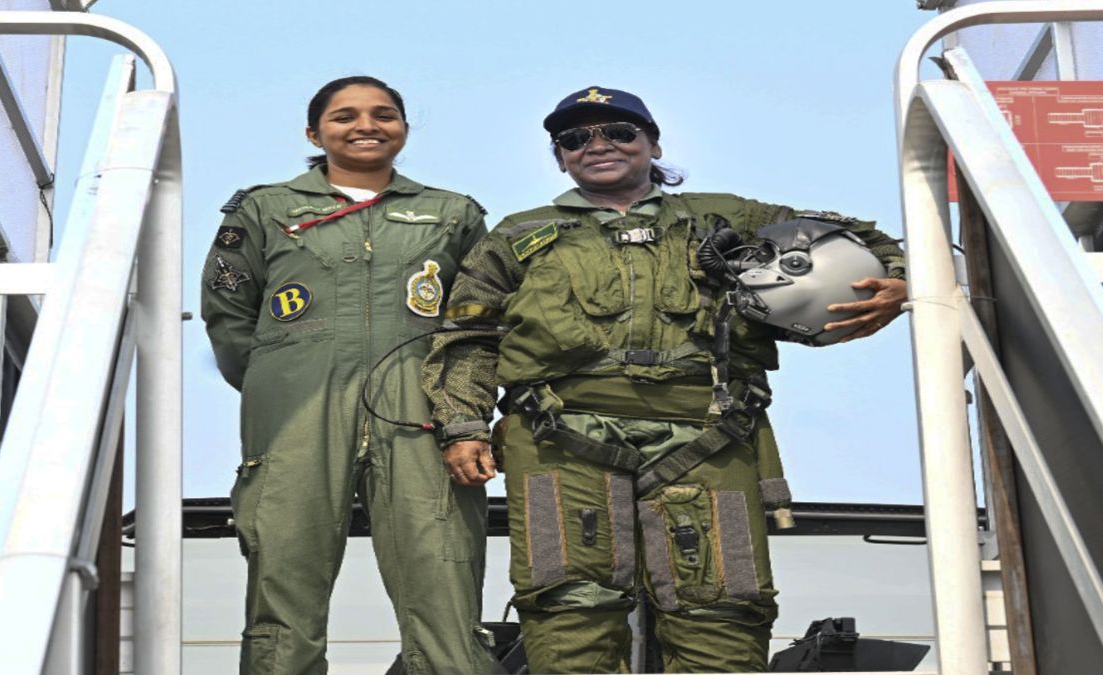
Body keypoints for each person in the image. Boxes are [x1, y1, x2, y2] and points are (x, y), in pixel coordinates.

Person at [423, 86, 906, 673]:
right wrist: (464, 426)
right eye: (575, 139)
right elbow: (469, 335)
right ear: (561, 158)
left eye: (618, 132)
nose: (597, 145)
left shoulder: (729, 219)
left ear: (652, 144)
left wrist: (897, 279)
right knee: (568, 607)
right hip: (560, 438)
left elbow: (858, 237)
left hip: (710, 435)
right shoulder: (517, 236)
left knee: (722, 608)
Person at [201, 75, 499, 674]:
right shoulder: (264, 209)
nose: (366, 125)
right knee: (284, 585)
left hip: (422, 416)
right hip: (295, 417)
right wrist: (280, 382)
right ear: (314, 134)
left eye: (383, 114)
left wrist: (463, 414)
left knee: (444, 582)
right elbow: (228, 314)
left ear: (404, 129)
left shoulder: (453, 213)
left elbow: (479, 321)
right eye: (344, 116)